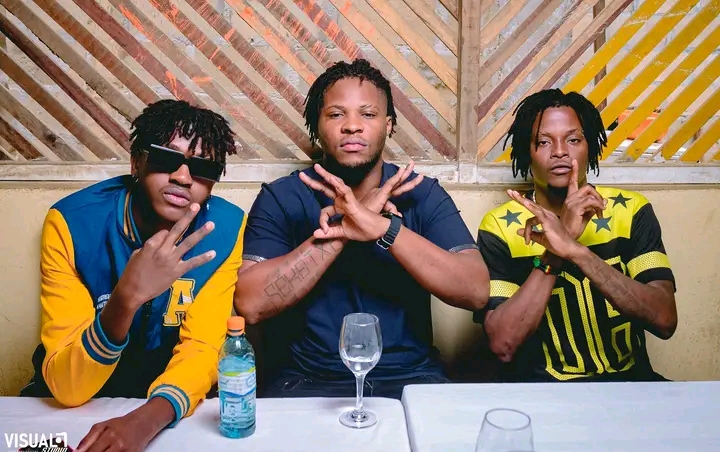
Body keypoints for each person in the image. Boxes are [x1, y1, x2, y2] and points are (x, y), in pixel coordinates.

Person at [234, 58, 490, 399]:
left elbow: (476, 291)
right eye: (336, 114)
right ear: (317, 126)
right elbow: (251, 305)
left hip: (412, 375)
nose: (352, 126)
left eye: (367, 114)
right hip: (307, 379)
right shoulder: (283, 197)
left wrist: (385, 228)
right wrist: (342, 232)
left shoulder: (421, 193)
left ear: (388, 125)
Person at [19, 100, 247, 450]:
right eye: (166, 158)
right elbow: (68, 387)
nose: (183, 177)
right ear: (136, 162)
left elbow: (201, 348)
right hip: (75, 403)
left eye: (203, 167)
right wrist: (126, 299)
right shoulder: (73, 224)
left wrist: (146, 420)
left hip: (170, 401)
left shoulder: (225, 229)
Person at [475, 89, 677, 383]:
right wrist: (554, 252)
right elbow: (503, 345)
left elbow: (665, 320)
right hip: (543, 394)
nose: (559, 152)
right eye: (543, 142)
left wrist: (576, 251)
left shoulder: (631, 211)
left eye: (573, 140)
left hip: (632, 386)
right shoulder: (500, 227)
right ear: (526, 152)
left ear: (590, 146)